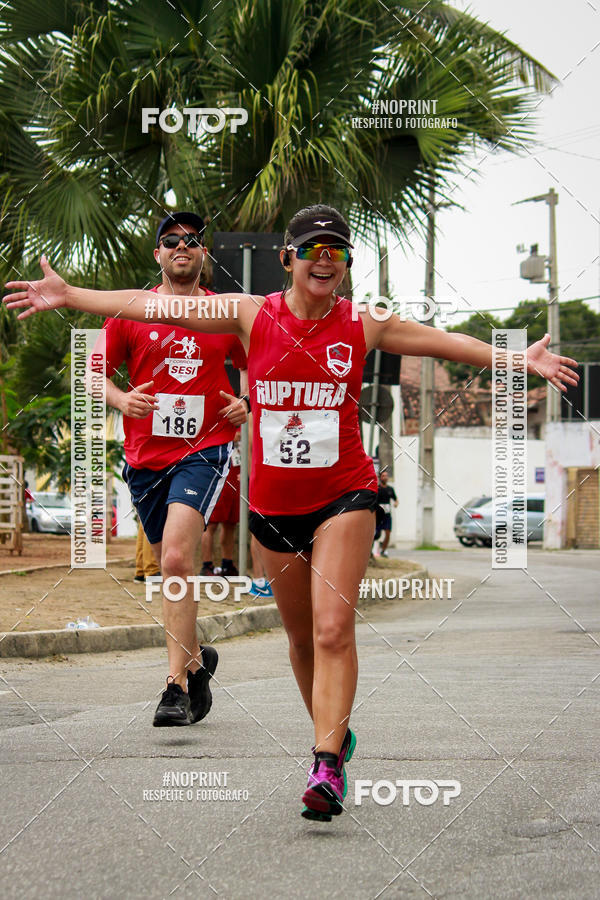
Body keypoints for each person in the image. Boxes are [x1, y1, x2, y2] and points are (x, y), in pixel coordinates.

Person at [5, 204, 579, 820]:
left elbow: (447, 342)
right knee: (302, 639)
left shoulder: (365, 323)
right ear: (288, 258)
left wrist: (518, 360)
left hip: (345, 495)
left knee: (334, 628)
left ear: (347, 265)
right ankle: (334, 734)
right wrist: (69, 296)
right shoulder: (250, 314)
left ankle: (326, 762)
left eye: (336, 251)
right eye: (312, 249)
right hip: (275, 509)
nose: (323, 260)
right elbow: (149, 305)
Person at [94, 211, 248, 728]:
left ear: (204, 255)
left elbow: (268, 364)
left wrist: (247, 402)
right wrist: (120, 398)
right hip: (144, 457)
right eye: (171, 241)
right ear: (158, 255)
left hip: (204, 448)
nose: (182, 246)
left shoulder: (226, 313)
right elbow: (91, 372)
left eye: (192, 241)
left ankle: (174, 688)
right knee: (168, 568)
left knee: (179, 560)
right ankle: (198, 659)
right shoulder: (133, 312)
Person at [200, 430, 241, 577]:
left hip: (236, 475)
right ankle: (206, 565)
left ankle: (227, 563)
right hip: (219, 474)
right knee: (211, 524)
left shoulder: (245, 416)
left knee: (231, 523)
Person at [374, 469, 398, 557]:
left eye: (386, 476)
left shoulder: (390, 489)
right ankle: (373, 550)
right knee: (377, 534)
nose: (385, 477)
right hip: (379, 515)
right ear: (380, 478)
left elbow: (396, 499)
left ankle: (383, 551)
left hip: (387, 515)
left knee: (388, 534)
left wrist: (396, 503)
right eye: (383, 476)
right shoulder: (377, 489)